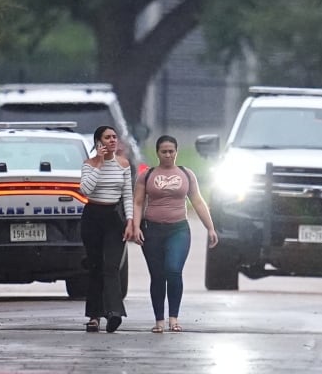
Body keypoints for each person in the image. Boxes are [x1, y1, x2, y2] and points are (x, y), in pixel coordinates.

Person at [131, 135, 218, 333]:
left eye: (171, 151)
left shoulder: (187, 174)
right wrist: (136, 227)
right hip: (152, 230)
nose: (168, 155)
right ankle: (159, 321)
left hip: (178, 230)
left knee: (173, 269)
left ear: (176, 152)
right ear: (158, 153)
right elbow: (137, 202)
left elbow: (197, 201)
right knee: (157, 275)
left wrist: (210, 227)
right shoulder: (147, 175)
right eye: (164, 151)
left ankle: (174, 319)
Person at [79, 125, 135, 333]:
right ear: (98, 142)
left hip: (114, 217)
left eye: (114, 137)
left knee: (111, 267)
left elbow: (128, 196)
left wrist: (130, 221)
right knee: (95, 266)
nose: (112, 140)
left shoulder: (123, 165)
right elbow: (86, 189)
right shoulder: (89, 164)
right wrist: (99, 163)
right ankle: (94, 316)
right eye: (107, 137)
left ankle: (114, 313)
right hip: (93, 216)